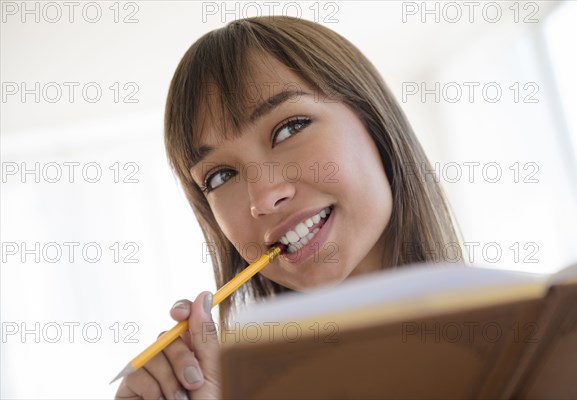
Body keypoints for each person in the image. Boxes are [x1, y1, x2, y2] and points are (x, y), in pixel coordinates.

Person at [116, 16, 463, 400]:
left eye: (290, 128)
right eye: (220, 176)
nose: (262, 197)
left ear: (374, 122)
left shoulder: (534, 339)